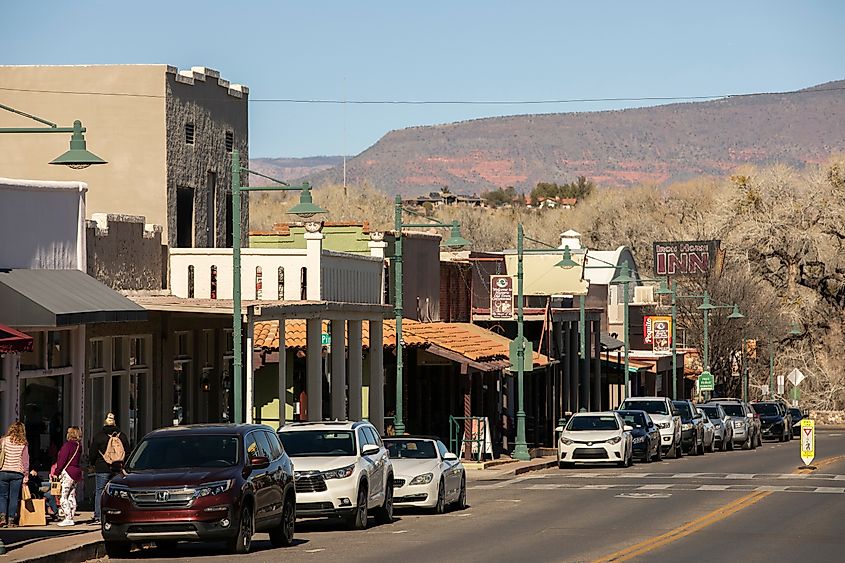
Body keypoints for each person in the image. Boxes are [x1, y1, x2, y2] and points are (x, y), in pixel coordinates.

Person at [89, 413, 129, 524]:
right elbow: (128, 451)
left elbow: (92, 453)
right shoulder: (122, 436)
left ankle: (98, 516)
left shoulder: (99, 436)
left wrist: (92, 464)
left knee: (100, 492)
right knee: (118, 492)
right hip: (118, 467)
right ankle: (117, 513)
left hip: (102, 468)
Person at [0, 421, 29, 527]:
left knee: (2, 496)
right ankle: (11, 520)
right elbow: (25, 461)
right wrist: (26, 474)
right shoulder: (23, 443)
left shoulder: (3, 441)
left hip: (3, 471)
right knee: (14, 497)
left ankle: (2, 517)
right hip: (17, 473)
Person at [51, 426, 82, 526]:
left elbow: (62, 460)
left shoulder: (67, 445)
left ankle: (68, 517)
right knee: (72, 495)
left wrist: (56, 472)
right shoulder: (78, 446)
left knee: (63, 496)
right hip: (76, 472)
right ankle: (71, 516)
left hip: (68, 472)